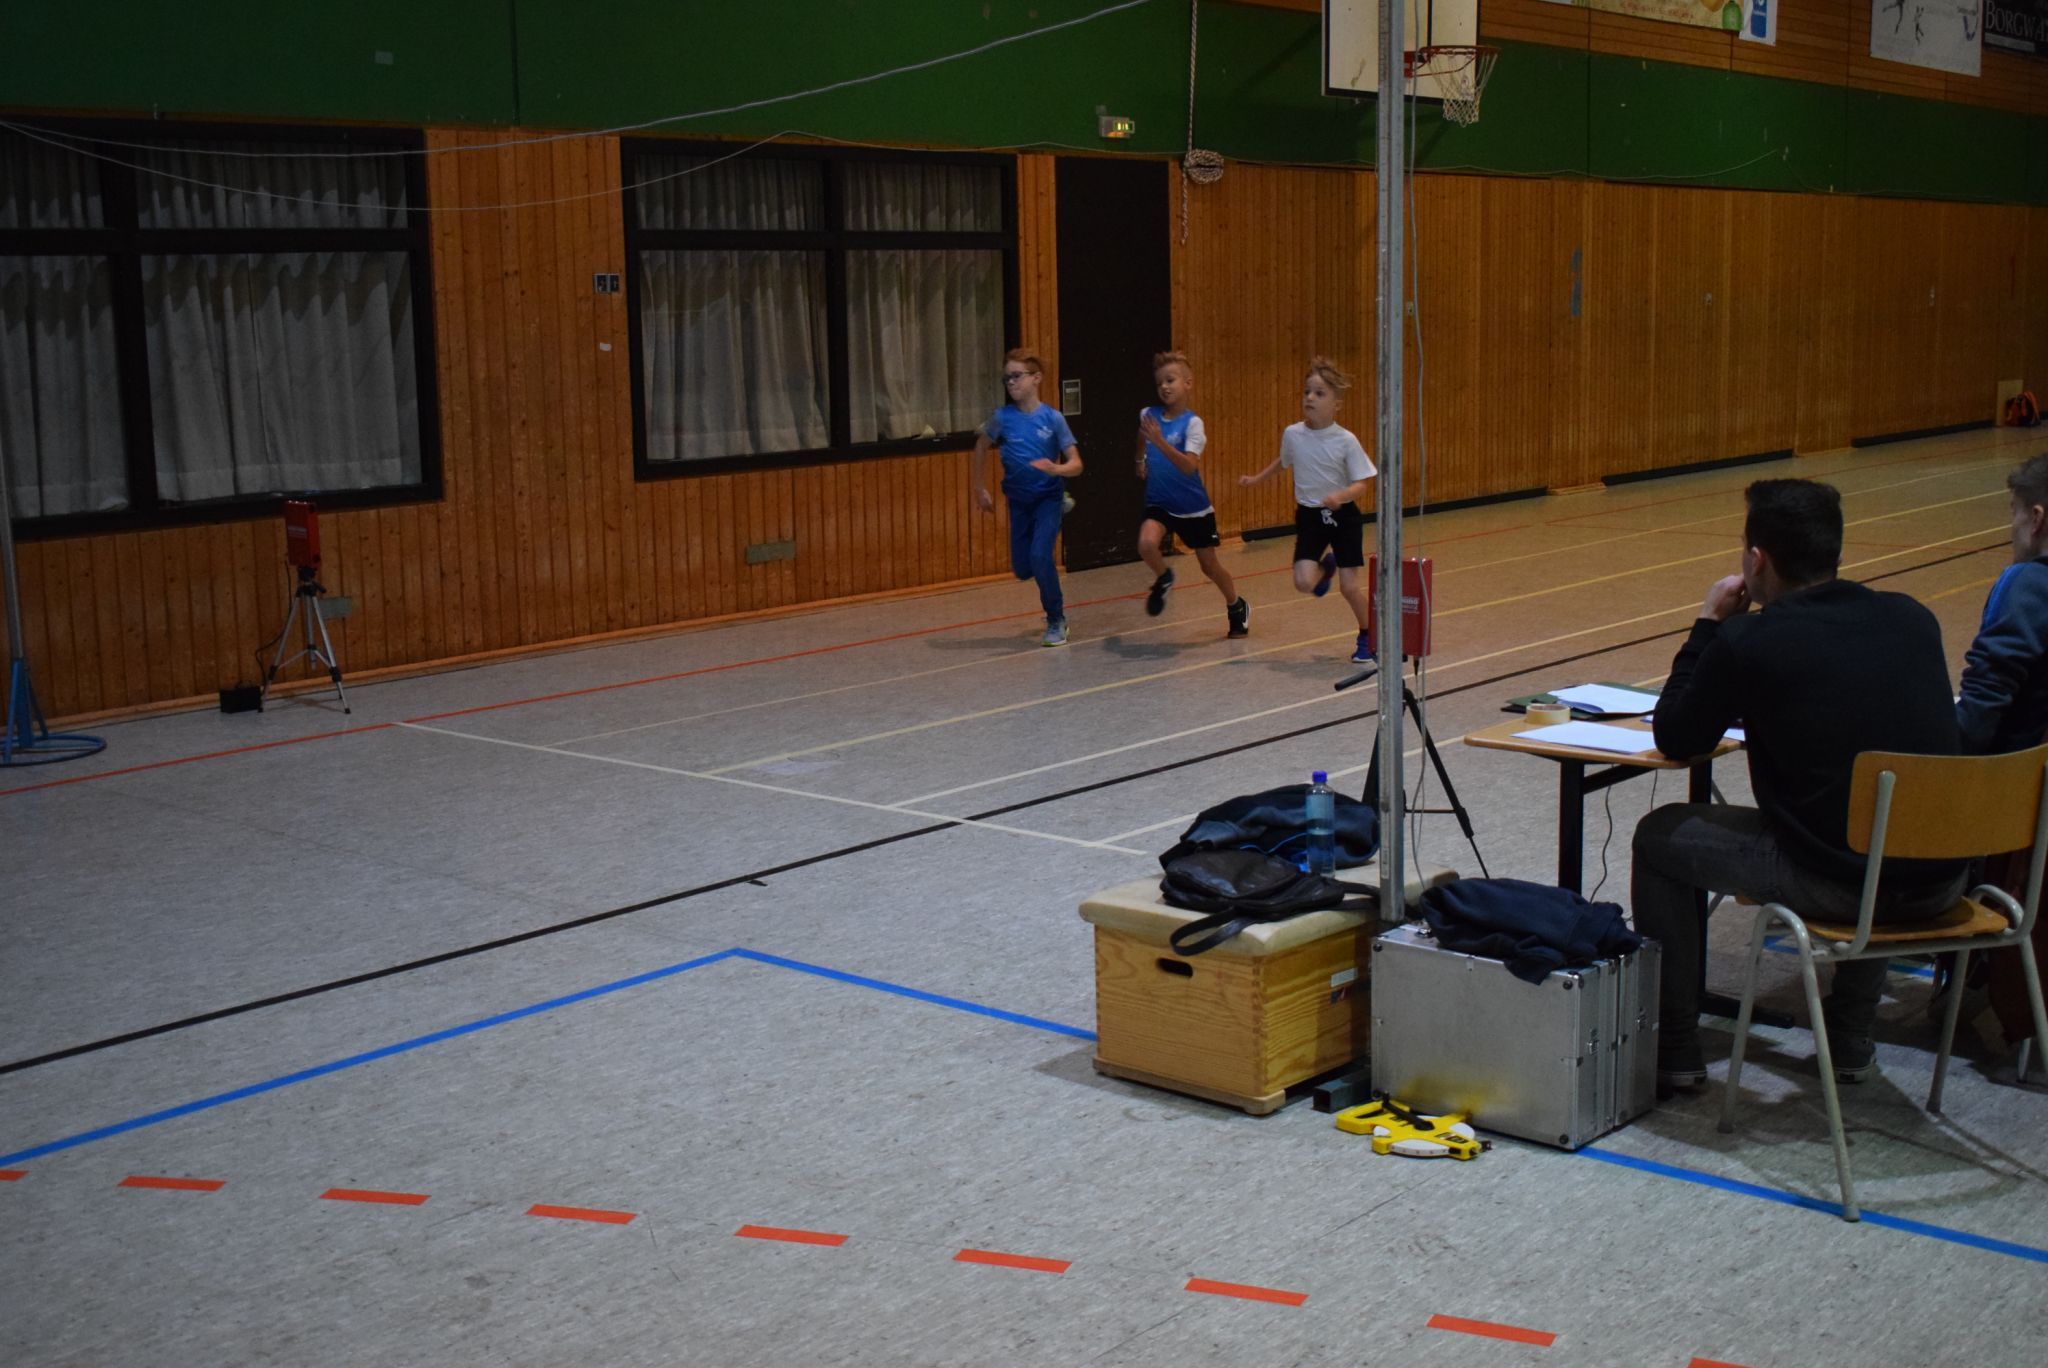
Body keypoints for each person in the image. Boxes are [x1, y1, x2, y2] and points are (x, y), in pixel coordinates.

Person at [1632, 479, 1966, 1090]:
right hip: (1943, 877)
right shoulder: (1912, 617)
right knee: (1880, 823)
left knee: (1660, 836)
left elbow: (1677, 736)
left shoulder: (1748, 639)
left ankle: (1673, 1046)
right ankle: (1850, 1038)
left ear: (1757, 559)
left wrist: (1707, 626)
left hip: (1840, 883)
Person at [1954, 453, 2048, 1050]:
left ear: (2035, 519)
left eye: (2012, 514)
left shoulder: (2029, 584)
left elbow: (1980, 714)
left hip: (2016, 803)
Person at [1238, 356, 1377, 666]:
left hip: (1343, 518)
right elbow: (1284, 461)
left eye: (1319, 393)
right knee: (1303, 582)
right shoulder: (1293, 434)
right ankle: (1326, 569)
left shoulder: (1346, 441)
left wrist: (1340, 495)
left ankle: (1368, 636)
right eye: (1307, 392)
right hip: (1310, 517)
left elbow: (1362, 484)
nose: (1310, 398)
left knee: (1349, 587)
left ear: (1336, 404)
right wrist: (1257, 479)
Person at [1134, 351, 1249, 637]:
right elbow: (1141, 436)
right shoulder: (1149, 415)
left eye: (1170, 380)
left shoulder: (1193, 424)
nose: (1164, 386)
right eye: (1160, 382)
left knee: (1209, 566)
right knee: (1146, 543)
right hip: (1160, 502)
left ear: (1188, 383)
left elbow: (1188, 466)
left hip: (1193, 508)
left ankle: (1236, 605)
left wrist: (1160, 442)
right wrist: (1139, 460)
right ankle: (1164, 577)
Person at [972, 348, 1083, 647]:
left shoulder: (1053, 418)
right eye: (1006, 378)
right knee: (1023, 569)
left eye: (1016, 376)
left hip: (1048, 497)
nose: (1010, 382)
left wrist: (1056, 468)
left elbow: (1076, 463)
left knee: (1040, 556)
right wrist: (979, 487)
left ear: (1036, 378)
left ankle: (1056, 619)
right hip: (1019, 500)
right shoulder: (1002, 418)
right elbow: (981, 446)